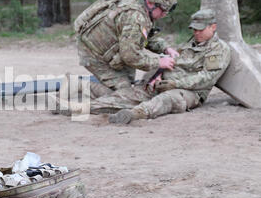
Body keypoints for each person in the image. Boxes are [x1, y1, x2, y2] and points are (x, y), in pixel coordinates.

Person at [90, 8, 231, 124]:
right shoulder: (190, 44)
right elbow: (174, 63)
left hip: (189, 93)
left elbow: (207, 78)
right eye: (194, 29)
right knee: (123, 96)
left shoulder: (219, 49)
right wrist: (158, 75)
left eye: (200, 29)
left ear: (213, 27)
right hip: (162, 84)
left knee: (166, 99)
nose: (196, 33)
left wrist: (175, 83)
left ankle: (135, 114)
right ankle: (82, 108)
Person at [61, 0, 179, 103]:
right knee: (126, 96)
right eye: (164, 9)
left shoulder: (139, 2)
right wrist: (158, 62)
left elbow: (144, 36)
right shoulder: (135, 17)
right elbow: (130, 57)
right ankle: (75, 85)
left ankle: (107, 83)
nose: (165, 14)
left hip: (110, 47)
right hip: (94, 54)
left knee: (127, 82)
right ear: (150, 2)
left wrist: (165, 48)